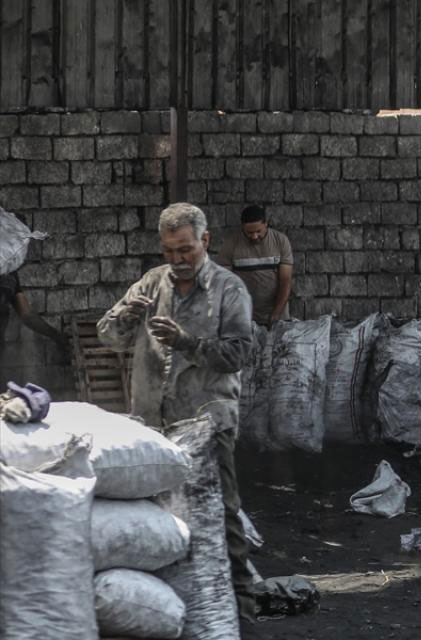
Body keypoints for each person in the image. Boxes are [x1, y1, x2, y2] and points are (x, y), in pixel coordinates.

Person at [97, 203, 258, 628]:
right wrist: (128, 313)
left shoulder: (229, 289)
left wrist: (189, 342)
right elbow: (109, 337)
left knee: (221, 520)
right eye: (169, 251)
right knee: (157, 526)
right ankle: (173, 615)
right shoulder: (152, 282)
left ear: (204, 242)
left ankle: (239, 615)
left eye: (185, 250)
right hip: (154, 425)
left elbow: (240, 353)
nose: (177, 260)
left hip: (207, 425)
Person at [217, 205, 294, 327]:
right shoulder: (231, 244)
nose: (254, 236)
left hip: (277, 316)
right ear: (242, 227)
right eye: (249, 232)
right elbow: (225, 283)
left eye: (258, 231)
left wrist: (276, 313)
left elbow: (286, 280)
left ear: (266, 224)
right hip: (244, 317)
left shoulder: (281, 241)